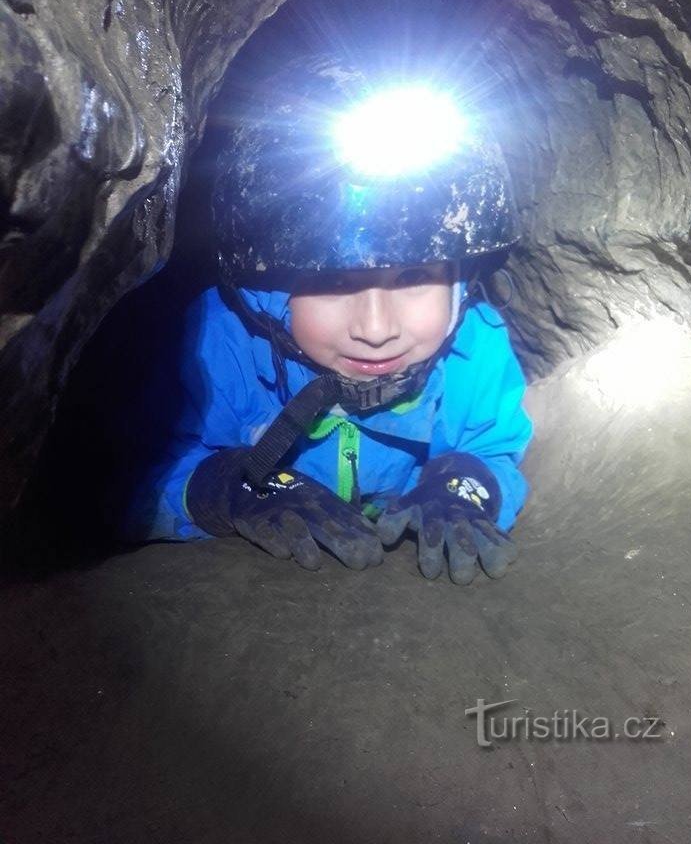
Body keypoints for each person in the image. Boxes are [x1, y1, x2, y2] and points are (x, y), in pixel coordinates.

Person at [127, 55, 533, 585]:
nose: (376, 327)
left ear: (462, 279)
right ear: (266, 289)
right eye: (333, 281)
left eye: (413, 277)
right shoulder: (213, 347)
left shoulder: (473, 349)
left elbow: (492, 449)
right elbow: (120, 476)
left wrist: (464, 483)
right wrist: (225, 487)